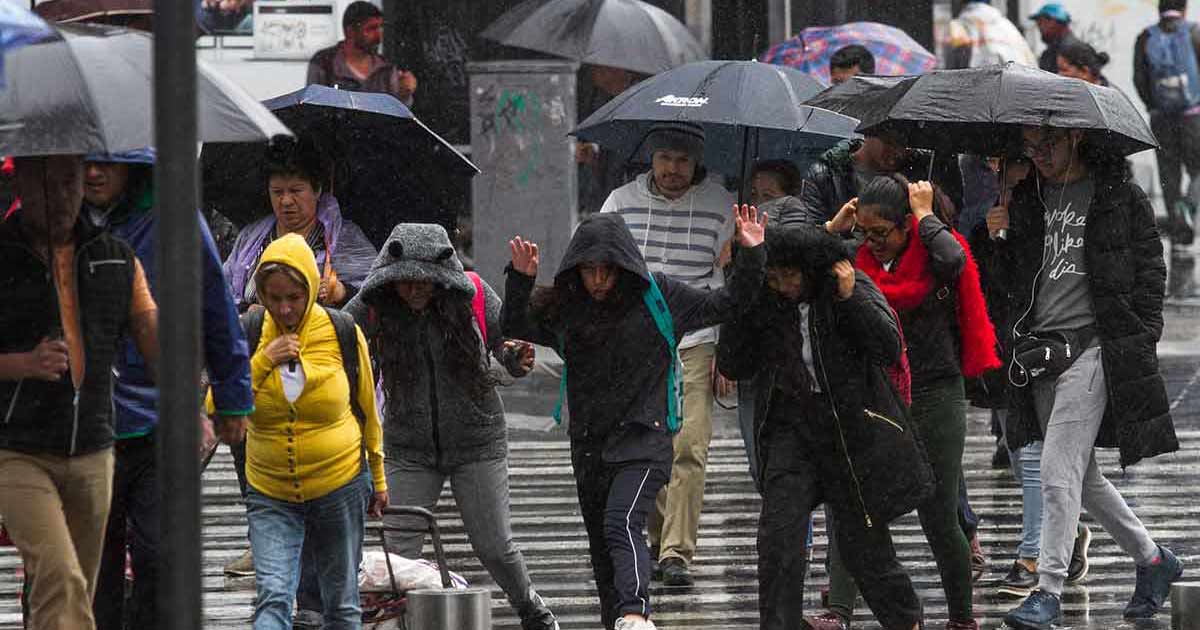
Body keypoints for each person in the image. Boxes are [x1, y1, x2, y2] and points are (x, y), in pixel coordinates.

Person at [502, 208, 767, 630]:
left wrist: (751, 253)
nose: (598, 281)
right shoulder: (568, 305)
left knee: (621, 522)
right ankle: (619, 619)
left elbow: (728, 303)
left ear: (624, 265)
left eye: (606, 270)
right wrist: (520, 280)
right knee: (603, 550)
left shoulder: (658, 296)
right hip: (589, 443)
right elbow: (515, 325)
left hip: (646, 438)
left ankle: (635, 613)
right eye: (588, 271)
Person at [984, 125, 1184, 629]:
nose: (1039, 156)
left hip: (1095, 348)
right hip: (1041, 354)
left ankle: (1048, 589)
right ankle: (1154, 559)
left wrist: (1140, 334)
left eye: (1047, 144)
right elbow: (1007, 282)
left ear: (1073, 137)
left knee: (1056, 471)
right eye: (1030, 148)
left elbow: (1148, 266)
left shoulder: (1118, 194)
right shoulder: (1027, 198)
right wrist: (996, 236)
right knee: (1082, 477)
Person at [344, 223, 559, 630]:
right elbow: (335, 333)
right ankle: (399, 623)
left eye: (425, 282)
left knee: (495, 546)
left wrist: (513, 357)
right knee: (400, 555)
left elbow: (505, 338)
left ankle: (530, 606)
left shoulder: (473, 294)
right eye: (405, 282)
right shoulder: (375, 306)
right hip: (408, 448)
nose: (415, 291)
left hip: (477, 442)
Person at [718, 224, 926, 630]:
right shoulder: (764, 300)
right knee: (779, 537)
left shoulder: (846, 284)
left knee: (863, 542)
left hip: (849, 430)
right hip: (790, 428)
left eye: (790, 277)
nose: (783, 287)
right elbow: (733, 363)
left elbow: (887, 346)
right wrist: (744, 293)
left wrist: (850, 300)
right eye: (773, 278)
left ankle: (906, 621)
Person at [815, 177, 999, 630]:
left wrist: (925, 213)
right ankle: (838, 611)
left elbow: (957, 258)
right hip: (878, 395)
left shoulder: (934, 254)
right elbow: (804, 268)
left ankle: (961, 618)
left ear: (906, 226)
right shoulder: (852, 261)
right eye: (866, 233)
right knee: (855, 503)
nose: (873, 244)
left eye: (883, 233)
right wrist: (831, 232)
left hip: (937, 391)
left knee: (939, 513)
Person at [81, 150, 253, 630]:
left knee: (159, 556)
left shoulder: (174, 218)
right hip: (80, 425)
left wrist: (233, 395)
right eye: (85, 162)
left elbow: (217, 306)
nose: (93, 173)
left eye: (106, 163)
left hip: (157, 419)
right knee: (95, 568)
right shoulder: (53, 218)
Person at [0, 154, 159, 630]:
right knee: (61, 577)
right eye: (45, 176)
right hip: (17, 448)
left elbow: (153, 336)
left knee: (75, 592)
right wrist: (22, 364)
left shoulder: (114, 257)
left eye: (69, 177)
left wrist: (190, 405)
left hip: (93, 446)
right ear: (22, 179)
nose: (61, 190)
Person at [218, 233, 387, 630]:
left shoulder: (342, 330)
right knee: (274, 596)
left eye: (294, 297)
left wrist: (378, 477)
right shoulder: (250, 329)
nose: (285, 308)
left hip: (339, 485)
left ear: (310, 290)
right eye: (274, 298)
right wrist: (263, 360)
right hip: (270, 489)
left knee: (341, 603)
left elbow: (367, 409)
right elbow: (217, 404)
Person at [599, 121, 736, 587]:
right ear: (651, 159)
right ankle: (658, 538)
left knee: (690, 446)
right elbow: (602, 261)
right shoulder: (620, 203)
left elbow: (725, 281)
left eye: (682, 160)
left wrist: (725, 347)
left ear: (697, 162)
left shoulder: (721, 206)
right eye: (664, 159)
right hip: (637, 344)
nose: (672, 170)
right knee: (647, 445)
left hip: (696, 340)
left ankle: (677, 551)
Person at [969, 159, 1093, 600]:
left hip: (1045, 345)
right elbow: (988, 281)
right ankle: (1066, 528)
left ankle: (1032, 555)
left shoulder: (1055, 203)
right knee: (1024, 451)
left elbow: (1047, 276)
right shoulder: (993, 202)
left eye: (1019, 164)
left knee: (1035, 452)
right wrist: (992, 235)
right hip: (1003, 343)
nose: (1010, 172)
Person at [1134, 0, 1200, 246]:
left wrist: (1152, 105)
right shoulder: (1194, 33)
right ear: (1184, 9)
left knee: (1168, 173)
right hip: (1193, 115)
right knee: (1198, 168)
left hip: (1161, 117)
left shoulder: (1145, 37)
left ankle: (1178, 230)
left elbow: (1139, 78)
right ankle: (1189, 206)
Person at [307, 1, 418, 106]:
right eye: (371, 29)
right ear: (350, 31)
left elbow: (398, 114)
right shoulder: (324, 62)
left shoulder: (386, 67)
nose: (378, 36)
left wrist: (405, 94)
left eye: (380, 28)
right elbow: (311, 109)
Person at [578, 65, 644, 216]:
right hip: (606, 200)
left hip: (629, 201)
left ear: (613, 70)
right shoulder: (603, 98)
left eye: (598, 69)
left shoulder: (639, 101)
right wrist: (594, 154)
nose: (594, 74)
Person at [947, 1, 1037, 69]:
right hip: (1016, 82)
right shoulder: (1006, 25)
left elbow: (953, 63)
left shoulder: (958, 25)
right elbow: (1030, 62)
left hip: (978, 84)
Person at [1030, 4, 1078, 74]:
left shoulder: (1073, 50)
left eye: (1042, 22)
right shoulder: (1050, 51)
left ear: (1058, 23)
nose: (1039, 27)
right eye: (1038, 23)